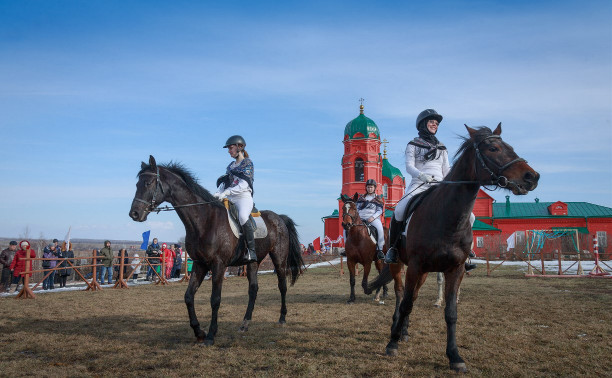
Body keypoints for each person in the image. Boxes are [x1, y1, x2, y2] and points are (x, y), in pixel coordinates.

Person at [385, 109, 477, 272]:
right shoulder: (413, 144)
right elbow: (409, 166)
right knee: (399, 210)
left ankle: (465, 251)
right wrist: (422, 176)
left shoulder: (441, 147)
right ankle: (393, 249)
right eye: (431, 121)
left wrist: (449, 182)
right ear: (422, 124)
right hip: (419, 183)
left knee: (470, 216)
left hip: (441, 185)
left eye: (437, 123)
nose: (435, 124)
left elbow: (446, 168)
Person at [213, 135, 257, 262]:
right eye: (228, 148)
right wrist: (218, 193)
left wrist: (227, 192)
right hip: (230, 196)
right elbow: (225, 182)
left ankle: (251, 251)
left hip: (243, 196)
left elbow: (244, 184)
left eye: (231, 148)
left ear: (240, 147)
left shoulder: (248, 163)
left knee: (243, 216)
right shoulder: (231, 166)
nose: (229, 151)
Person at [356, 179, 386, 260]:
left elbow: (379, 210)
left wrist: (372, 218)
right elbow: (357, 209)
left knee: (380, 229)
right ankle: (346, 247)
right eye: (368, 187)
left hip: (372, 218)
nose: (370, 189)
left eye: (371, 187)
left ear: (374, 188)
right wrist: (358, 217)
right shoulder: (361, 198)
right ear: (366, 188)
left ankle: (380, 250)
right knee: (346, 229)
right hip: (361, 218)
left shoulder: (377, 198)